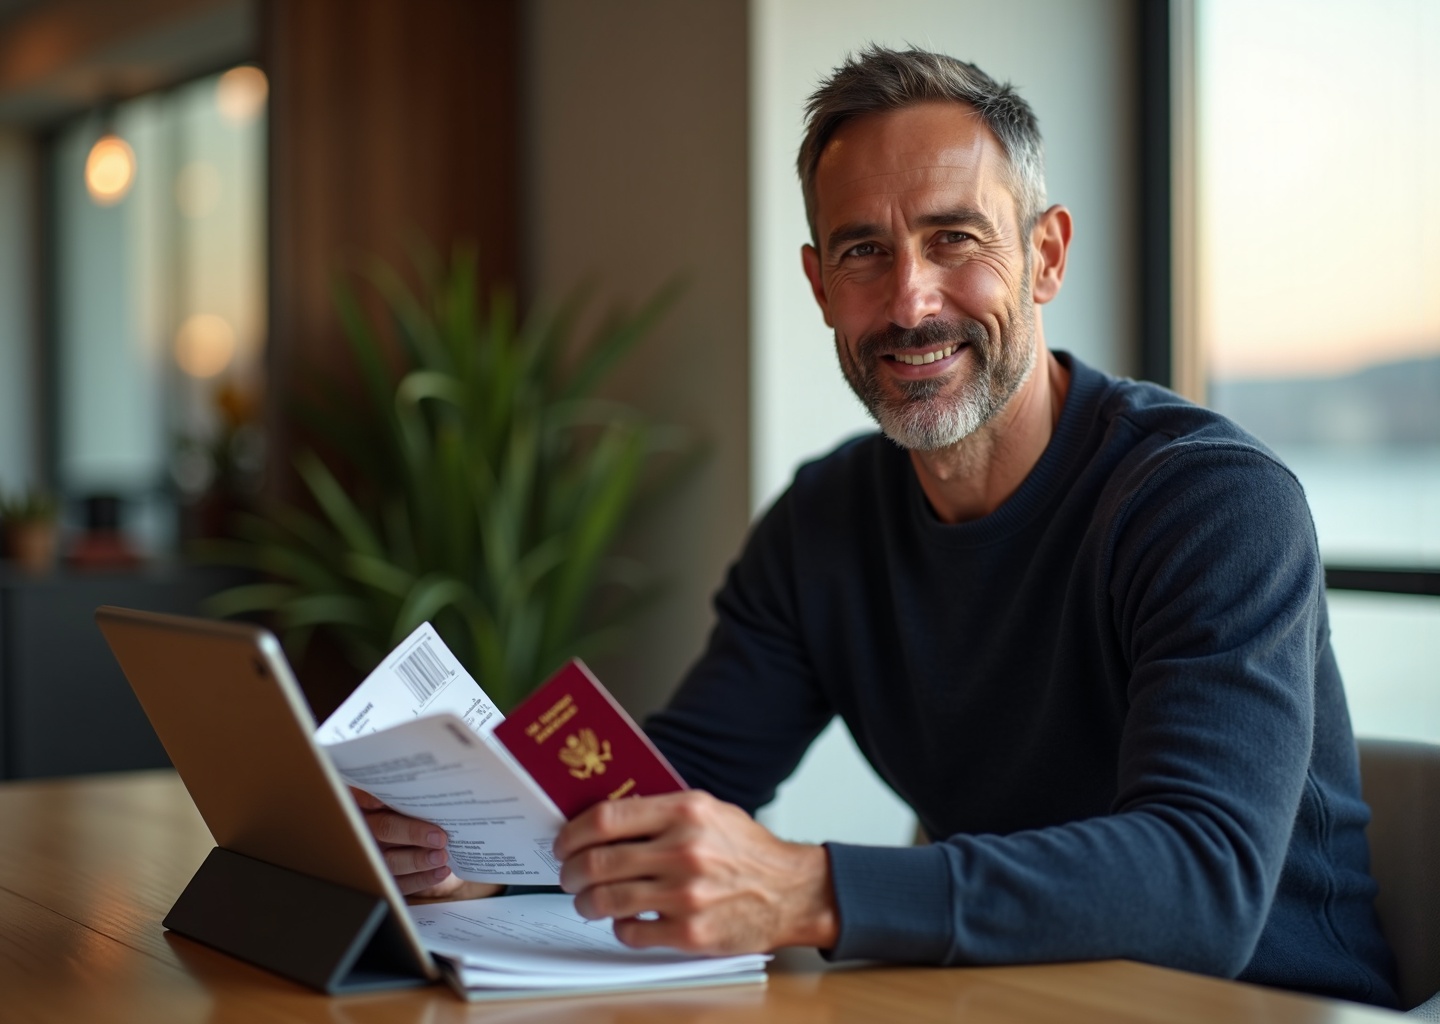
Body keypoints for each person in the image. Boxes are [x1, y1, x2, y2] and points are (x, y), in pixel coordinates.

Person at [362, 47, 1399, 1007]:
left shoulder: (1209, 504)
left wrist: (809, 889)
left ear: (1045, 257)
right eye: (864, 250)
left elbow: (1202, 887)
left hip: (1271, 1005)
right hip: (1001, 999)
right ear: (821, 287)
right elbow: (673, 787)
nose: (910, 301)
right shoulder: (824, 525)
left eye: (954, 238)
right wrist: (485, 851)